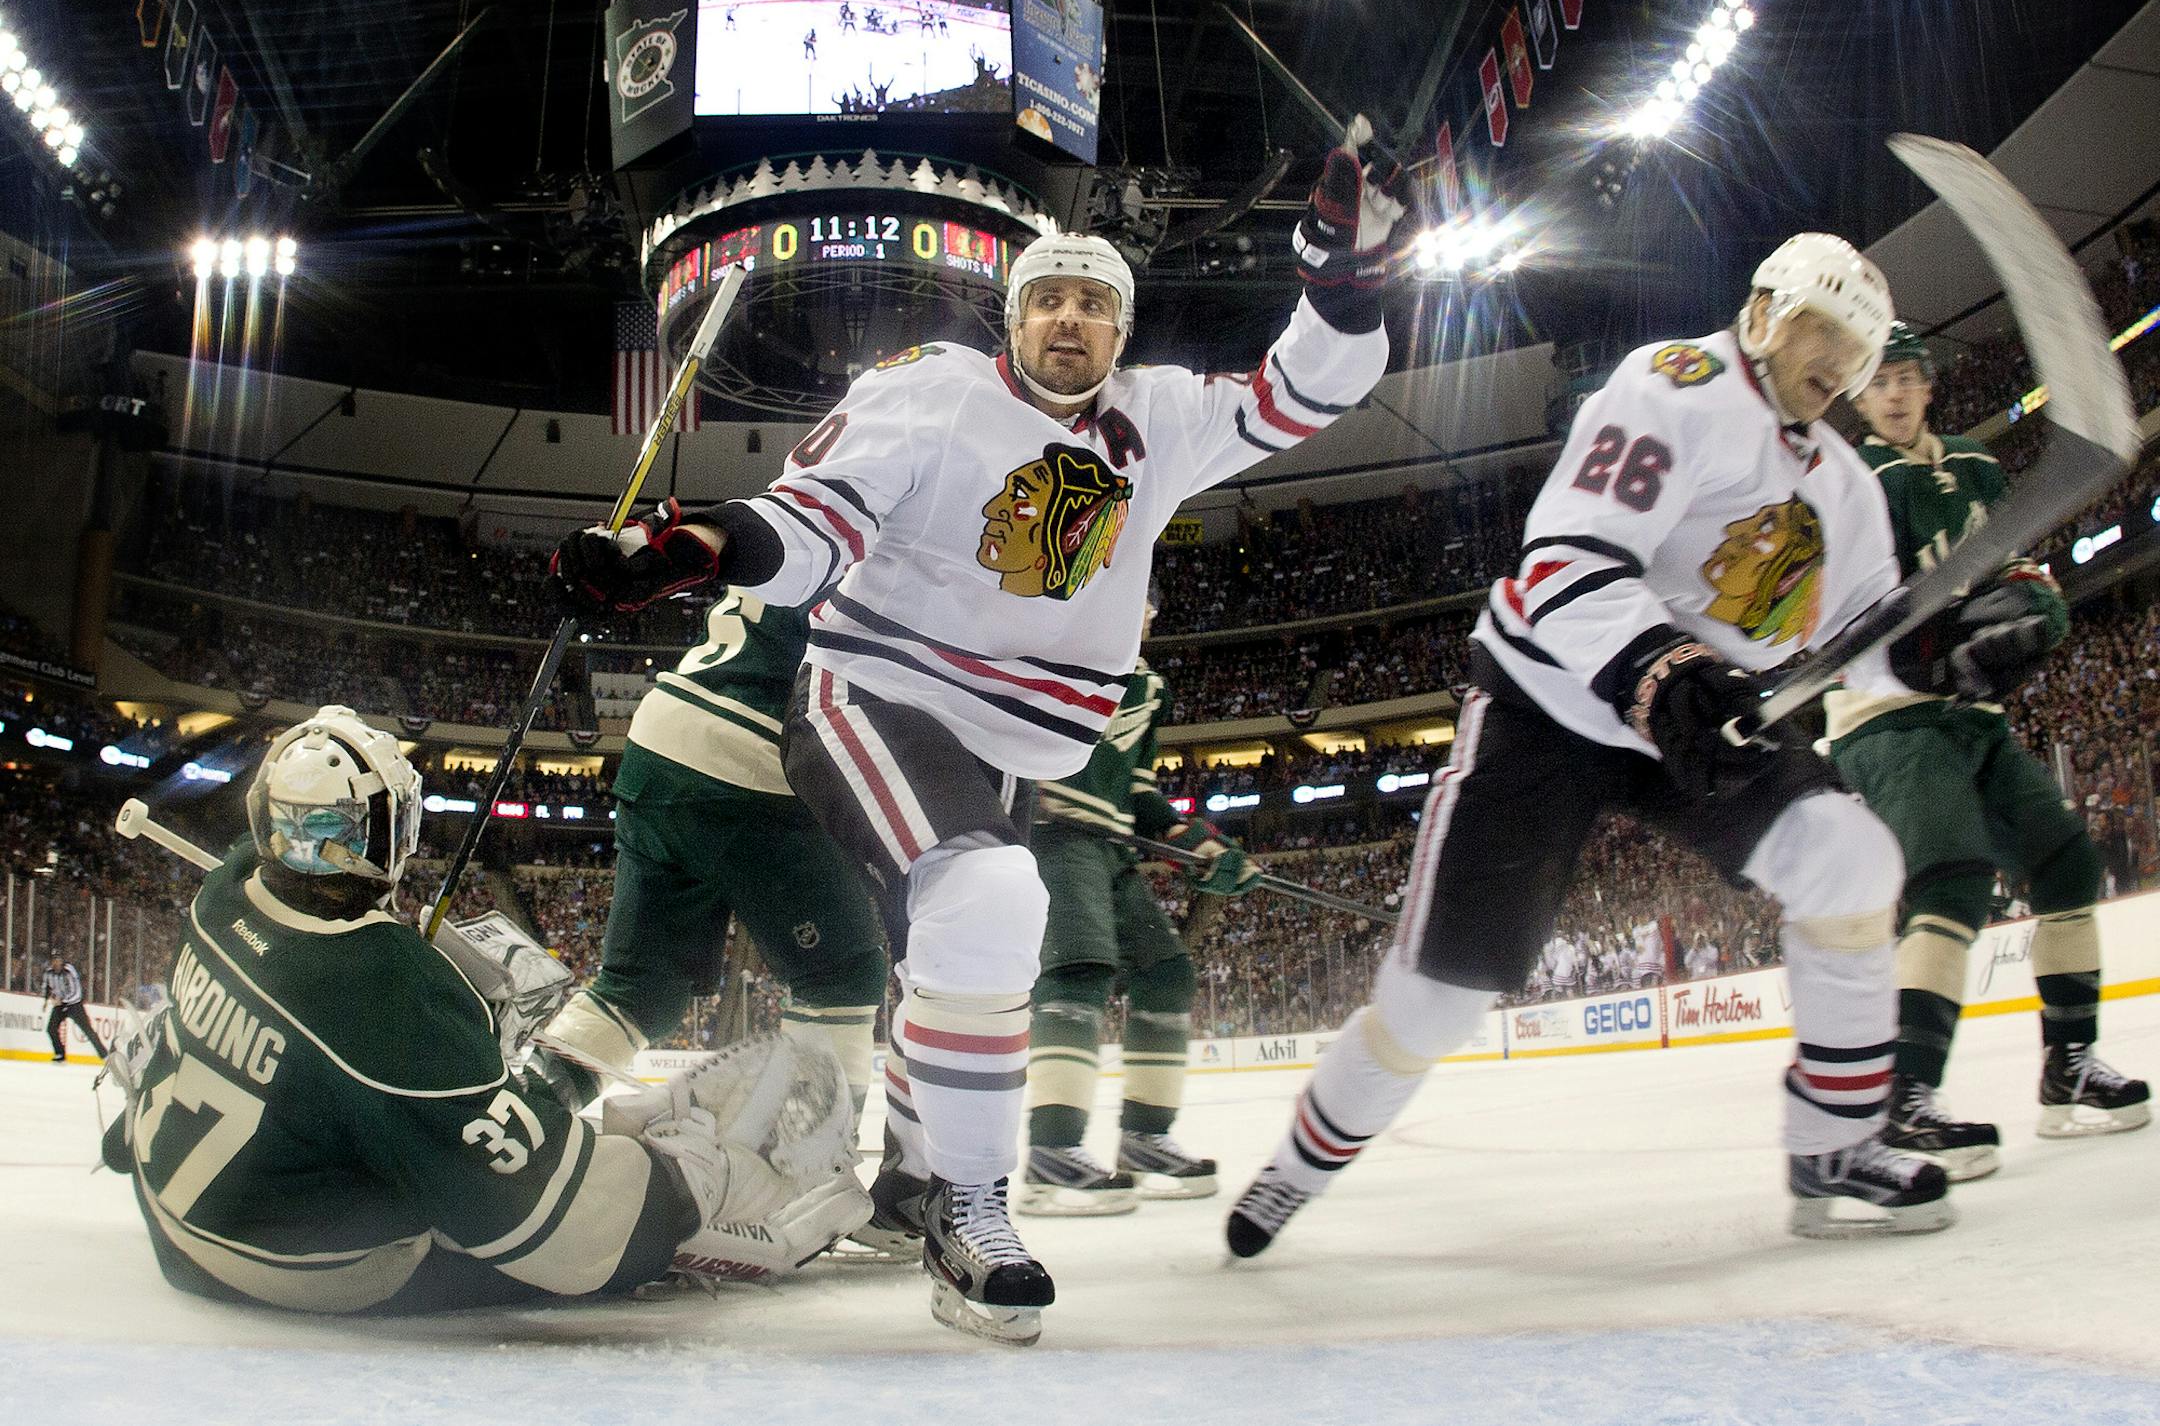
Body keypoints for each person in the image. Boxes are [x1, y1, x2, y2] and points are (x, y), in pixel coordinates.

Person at [553, 118, 1404, 1342]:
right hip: (877, 692)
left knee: (948, 952)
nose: (1069, 321)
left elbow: (1304, 390)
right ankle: (971, 1202)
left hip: (1011, 741)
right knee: (993, 892)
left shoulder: (1160, 417)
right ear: (1011, 319)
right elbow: (811, 523)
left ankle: (909, 1178)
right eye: (1047, 299)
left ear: (1121, 329)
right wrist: (688, 547)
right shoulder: (928, 392)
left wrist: (1342, 276)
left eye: (1092, 306)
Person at [1227, 233, 1956, 1258]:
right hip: (1554, 702)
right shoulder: (1676, 385)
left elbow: (1872, 644)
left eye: (1859, 347)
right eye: (1819, 325)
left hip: (1699, 719)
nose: (1838, 357)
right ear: (1760, 312)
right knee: (1434, 1002)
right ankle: (1296, 1167)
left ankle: (1834, 1145)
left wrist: (1942, 653)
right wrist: (1662, 670)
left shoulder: (1846, 484)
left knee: (1852, 859)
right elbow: (1564, 562)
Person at [105, 705, 867, 1314]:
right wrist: (683, 1185)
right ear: (388, 830)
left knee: (474, 1130)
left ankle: (594, 1133)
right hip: (295, 1267)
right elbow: (551, 1227)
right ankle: (700, 1180)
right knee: (603, 1192)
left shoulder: (225, 891)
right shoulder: (384, 990)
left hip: (180, 1213)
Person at [1823, 323, 2148, 1179]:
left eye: (1907, 377)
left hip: (1972, 720)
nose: (1893, 393)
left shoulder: (1976, 466)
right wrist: (1929, 645)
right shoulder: (1848, 481)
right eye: (1879, 381)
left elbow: (2024, 573)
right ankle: (1905, 1103)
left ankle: (2069, 1068)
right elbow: (1843, 617)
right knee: (1953, 879)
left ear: (1928, 387)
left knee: (2069, 865)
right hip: (1885, 719)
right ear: (1857, 398)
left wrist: (2041, 611)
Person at [528, 589, 905, 1251]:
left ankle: (521, 1117)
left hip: (662, 736)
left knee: (639, 991)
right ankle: (812, 1176)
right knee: (841, 977)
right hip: (755, 748)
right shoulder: (885, 517)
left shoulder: (798, 505)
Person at [1017, 643, 1258, 1217]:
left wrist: (1198, 845)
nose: (1144, 609)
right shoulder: (1061, 638)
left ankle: (1145, 1137)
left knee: (1167, 975)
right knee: (1078, 971)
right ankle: (1052, 1149)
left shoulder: (1149, 686)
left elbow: (1140, 793)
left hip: (1108, 842)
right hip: (1052, 830)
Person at [42, 953, 109, 1063]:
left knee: (87, 1030)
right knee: (51, 1028)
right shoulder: (49, 972)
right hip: (60, 1005)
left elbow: (76, 991)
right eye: (54, 961)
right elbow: (46, 987)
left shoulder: (69, 970)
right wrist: (47, 1000)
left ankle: (104, 1055)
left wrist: (64, 1002)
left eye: (58, 961)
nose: (56, 963)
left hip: (74, 1005)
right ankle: (60, 1054)